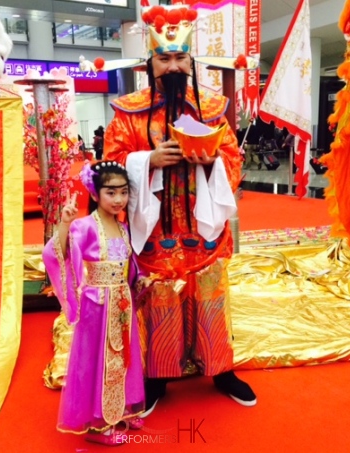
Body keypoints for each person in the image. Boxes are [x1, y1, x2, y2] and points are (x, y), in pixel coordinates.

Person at [104, 3, 256, 416]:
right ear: (149, 62)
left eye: (179, 57)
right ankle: (159, 375)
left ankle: (220, 370)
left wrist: (210, 159)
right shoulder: (127, 112)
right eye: (163, 58)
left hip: (201, 224)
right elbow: (111, 166)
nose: (172, 66)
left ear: (191, 60)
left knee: (210, 294)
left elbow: (234, 162)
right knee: (159, 299)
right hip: (155, 229)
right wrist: (147, 161)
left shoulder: (212, 109)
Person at [42, 161, 147, 446]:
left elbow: (130, 264)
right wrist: (64, 223)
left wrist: (140, 281)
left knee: (123, 356)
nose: (118, 199)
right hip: (97, 306)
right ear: (95, 194)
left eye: (123, 192)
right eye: (110, 193)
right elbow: (58, 254)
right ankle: (97, 425)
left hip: (122, 303)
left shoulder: (123, 227)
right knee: (97, 360)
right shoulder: (84, 226)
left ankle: (120, 408)